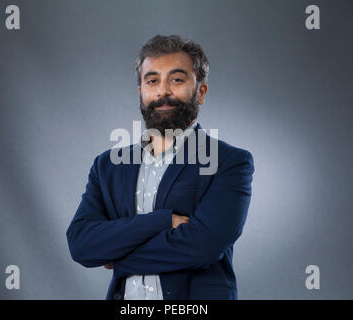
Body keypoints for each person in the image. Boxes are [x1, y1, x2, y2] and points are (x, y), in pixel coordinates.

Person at [66, 34, 254, 300]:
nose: (162, 91)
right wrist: (163, 221)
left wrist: (118, 257)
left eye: (177, 80)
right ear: (141, 92)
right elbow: (81, 245)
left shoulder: (229, 162)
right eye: (152, 81)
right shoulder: (107, 166)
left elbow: (203, 247)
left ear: (200, 91)